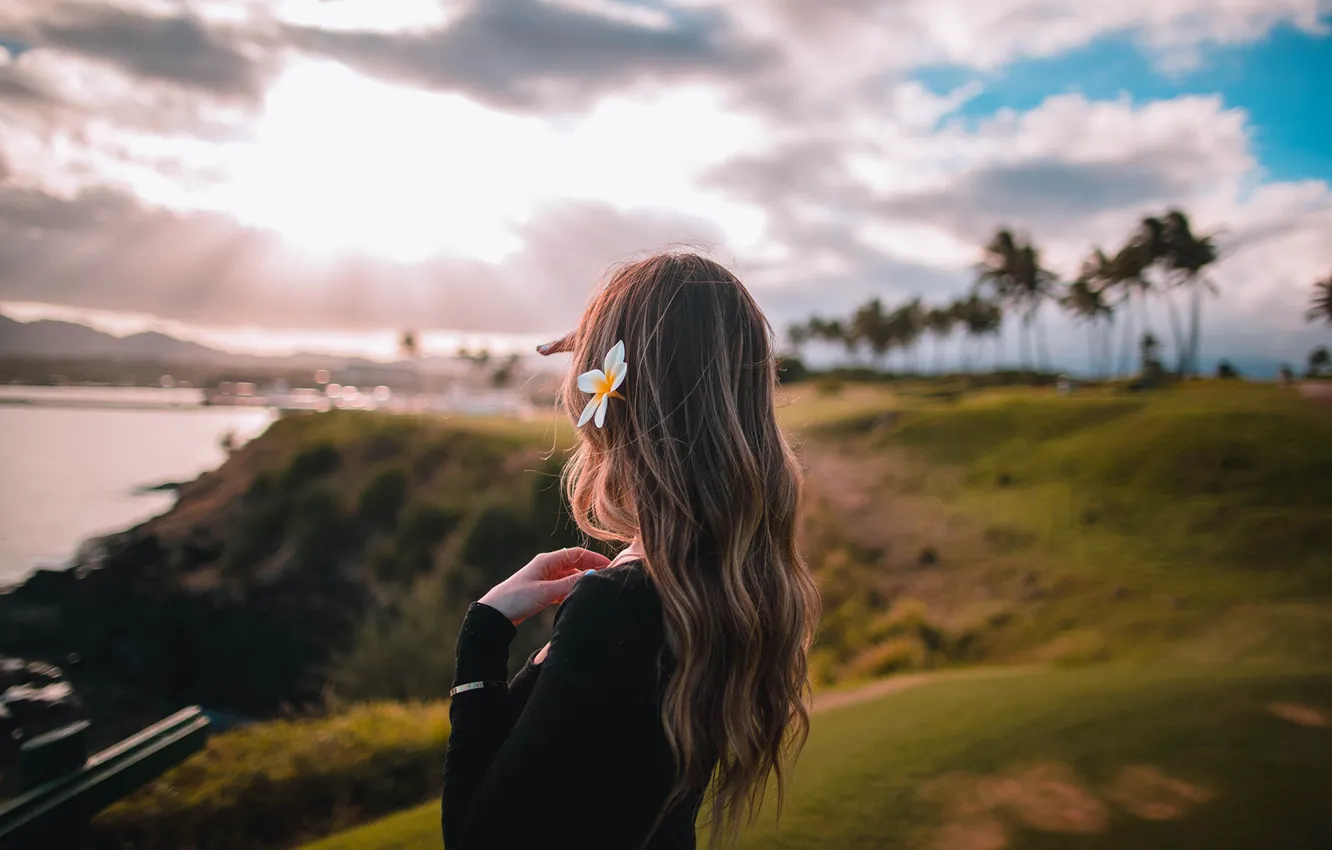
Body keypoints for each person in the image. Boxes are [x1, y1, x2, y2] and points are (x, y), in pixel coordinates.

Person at [440, 252, 822, 849]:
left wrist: (482, 635)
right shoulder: (725, 582)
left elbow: (476, 839)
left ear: (615, 400)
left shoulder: (618, 607)